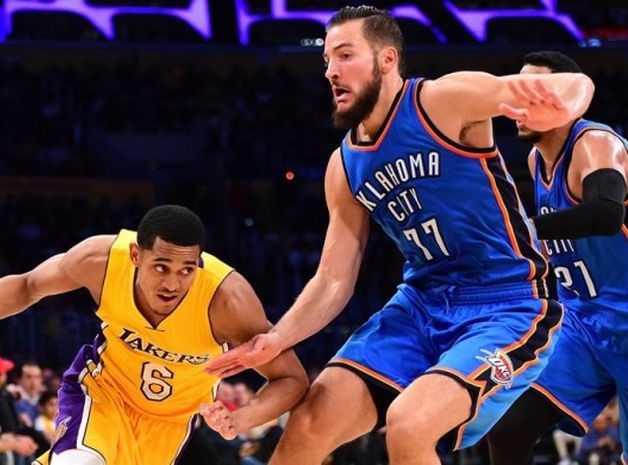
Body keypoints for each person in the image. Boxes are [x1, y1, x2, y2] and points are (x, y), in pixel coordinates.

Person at [205, 6, 595, 465]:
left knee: (409, 424)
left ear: (387, 59)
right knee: (309, 422)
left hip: (508, 303)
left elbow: (573, 84)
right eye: (327, 60)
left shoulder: (442, 101)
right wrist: (278, 338)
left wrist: (567, 101)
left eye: (346, 55)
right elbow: (334, 279)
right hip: (418, 306)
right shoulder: (344, 165)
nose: (331, 71)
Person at [0, 205, 308, 465]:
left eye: (187, 270)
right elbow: (27, 286)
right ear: (136, 255)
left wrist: (240, 419)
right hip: (103, 393)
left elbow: (291, 378)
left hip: (169, 425)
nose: (173, 284)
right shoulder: (100, 261)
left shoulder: (228, 301)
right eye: (161, 267)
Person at [486, 51, 627, 465]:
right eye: (517, 93)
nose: (518, 107)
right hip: (584, 324)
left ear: (569, 99)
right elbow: (552, 245)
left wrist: (521, 228)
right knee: (507, 425)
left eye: (534, 95)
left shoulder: (596, 143)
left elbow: (605, 213)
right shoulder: (536, 160)